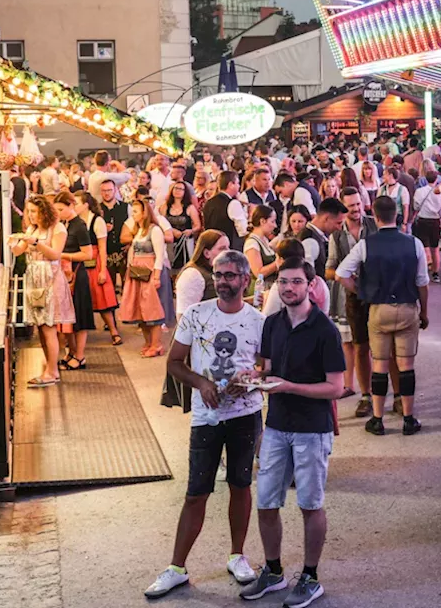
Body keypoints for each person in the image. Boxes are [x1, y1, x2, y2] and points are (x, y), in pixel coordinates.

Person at [147, 251, 264, 598]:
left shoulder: (258, 320)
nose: (223, 281)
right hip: (206, 417)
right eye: (218, 274)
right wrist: (202, 383)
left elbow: (267, 366)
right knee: (196, 492)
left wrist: (253, 377)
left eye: (230, 275)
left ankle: (237, 556)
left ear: (245, 280)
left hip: (245, 414)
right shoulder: (197, 315)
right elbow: (175, 362)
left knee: (241, 485)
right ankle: (176, 567)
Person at [240, 258, 346, 607]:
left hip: (311, 431)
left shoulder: (324, 330)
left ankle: (310, 577)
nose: (288, 288)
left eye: (296, 282)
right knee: (267, 501)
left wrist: (288, 386)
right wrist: (253, 379)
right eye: (283, 282)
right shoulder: (271, 324)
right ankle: (273, 571)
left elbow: (335, 388)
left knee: (310, 504)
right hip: (276, 427)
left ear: (311, 286)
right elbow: (267, 368)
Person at [336, 195, 430, 436]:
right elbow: (422, 282)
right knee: (406, 365)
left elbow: (341, 273)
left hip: (378, 309)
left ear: (375, 217)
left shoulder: (366, 245)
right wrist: (424, 311)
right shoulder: (414, 243)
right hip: (407, 307)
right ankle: (408, 418)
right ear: (397, 215)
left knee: (379, 363)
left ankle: (377, 419)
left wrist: (361, 290)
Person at [327, 187, 379, 418]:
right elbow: (329, 268)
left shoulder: (375, 225)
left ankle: (389, 394)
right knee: (359, 346)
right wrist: (344, 274)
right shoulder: (337, 234)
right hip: (350, 296)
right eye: (351, 206)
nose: (356, 209)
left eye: (359, 204)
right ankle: (365, 395)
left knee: (382, 347)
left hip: (377, 294)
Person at [13, 195, 73, 386]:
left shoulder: (58, 228)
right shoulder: (33, 228)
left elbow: (56, 254)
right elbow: (18, 251)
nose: (30, 215)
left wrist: (36, 242)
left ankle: (52, 371)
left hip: (50, 279)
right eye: (28, 211)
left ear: (43, 211)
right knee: (40, 327)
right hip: (34, 280)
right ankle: (50, 366)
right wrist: (13, 241)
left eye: (34, 211)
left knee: (49, 327)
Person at [120, 198, 168, 359]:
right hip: (137, 273)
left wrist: (156, 276)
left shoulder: (154, 230)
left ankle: (156, 344)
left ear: (144, 213)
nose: (133, 214)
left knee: (152, 310)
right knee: (141, 311)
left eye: (135, 211)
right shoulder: (139, 231)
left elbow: (159, 255)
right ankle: (148, 343)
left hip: (149, 272)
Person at [54, 192, 96, 370]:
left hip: (77, 276)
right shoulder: (65, 224)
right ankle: (71, 352)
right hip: (66, 274)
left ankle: (80, 356)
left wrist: (62, 255)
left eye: (61, 209)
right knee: (69, 318)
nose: (58, 213)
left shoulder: (79, 226)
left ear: (71, 205)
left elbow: (88, 254)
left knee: (80, 317)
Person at [75, 192, 121, 346]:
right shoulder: (74, 221)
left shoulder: (97, 221)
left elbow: (102, 248)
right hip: (79, 262)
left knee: (102, 299)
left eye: (76, 203)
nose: (74, 206)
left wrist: (102, 270)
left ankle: (114, 331)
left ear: (86, 204)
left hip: (95, 261)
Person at [177, 230, 229, 311]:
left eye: (228, 247)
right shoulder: (192, 274)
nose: (228, 252)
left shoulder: (220, 272)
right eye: (222, 248)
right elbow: (185, 315)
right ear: (207, 253)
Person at [411, 171, 441, 282]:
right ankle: (436, 273)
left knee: (424, 247)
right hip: (435, 221)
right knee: (435, 248)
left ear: (425, 179)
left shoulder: (419, 191)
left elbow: (416, 206)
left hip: (423, 220)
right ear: (436, 179)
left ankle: (424, 269)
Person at [160, 181, 201, 273]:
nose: (177, 191)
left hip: (184, 243)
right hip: (169, 242)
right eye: (175, 188)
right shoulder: (165, 206)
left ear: (185, 192)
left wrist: (191, 231)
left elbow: (198, 225)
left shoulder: (190, 207)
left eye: (180, 189)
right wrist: (172, 230)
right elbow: (160, 223)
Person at [202, 171, 249, 250]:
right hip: (228, 247)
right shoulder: (233, 203)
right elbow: (243, 230)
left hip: (211, 247)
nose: (239, 186)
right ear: (231, 185)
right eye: (237, 183)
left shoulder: (208, 202)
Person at [244, 205, 280, 288]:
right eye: (272, 221)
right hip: (260, 289)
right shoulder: (252, 243)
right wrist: (277, 263)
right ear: (262, 221)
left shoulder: (264, 239)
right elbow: (258, 273)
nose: (275, 226)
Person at [378, 165, 411, 232]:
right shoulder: (382, 189)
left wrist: (404, 223)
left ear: (390, 175)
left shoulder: (402, 189)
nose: (383, 177)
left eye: (385, 174)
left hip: (397, 221)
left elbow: (405, 207)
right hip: (383, 221)